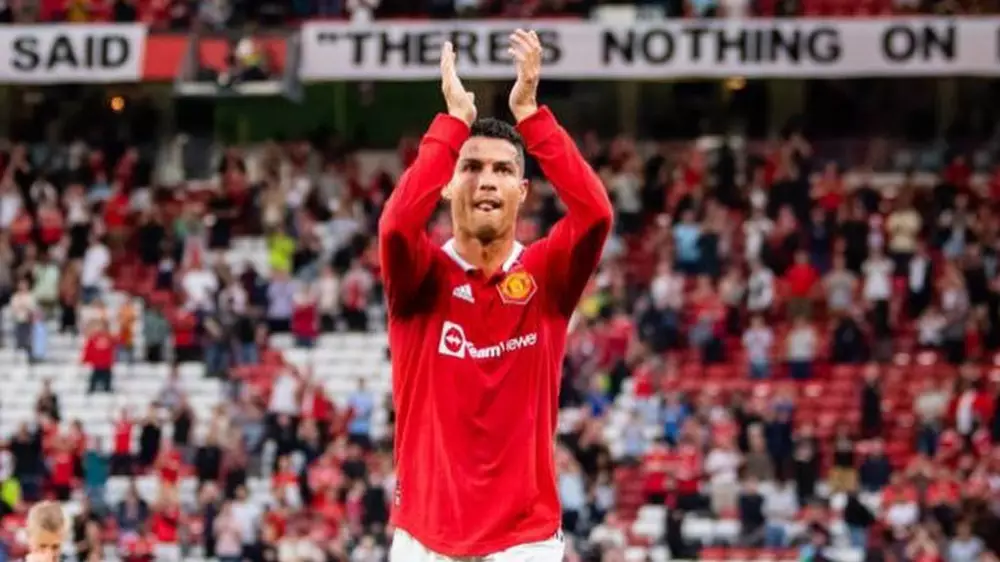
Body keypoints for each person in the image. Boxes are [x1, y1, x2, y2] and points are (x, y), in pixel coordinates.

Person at [379, 30, 613, 562]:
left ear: (522, 192)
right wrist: (452, 124)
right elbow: (396, 226)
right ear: (445, 183)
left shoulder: (546, 276)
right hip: (424, 539)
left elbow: (596, 215)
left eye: (503, 170)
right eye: (471, 167)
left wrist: (530, 115)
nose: (487, 181)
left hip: (524, 542)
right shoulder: (420, 277)